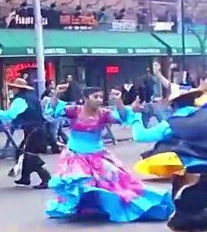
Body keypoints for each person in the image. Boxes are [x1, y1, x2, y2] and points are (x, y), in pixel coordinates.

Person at [45, 88, 173, 222]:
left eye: (101, 97)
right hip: (75, 155)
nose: (99, 100)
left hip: (97, 155)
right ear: (85, 98)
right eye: (95, 97)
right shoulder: (74, 110)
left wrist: (118, 101)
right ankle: (83, 208)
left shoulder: (103, 114)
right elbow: (52, 112)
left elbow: (122, 118)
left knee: (118, 182)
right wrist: (56, 94)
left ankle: (140, 205)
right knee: (79, 183)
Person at [132, 75, 207, 232]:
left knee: (183, 212)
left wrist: (135, 115)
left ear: (173, 105)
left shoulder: (170, 124)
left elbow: (140, 135)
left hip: (191, 169)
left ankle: (189, 220)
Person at [0, 77, 52, 189]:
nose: (12, 90)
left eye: (14, 88)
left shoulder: (20, 100)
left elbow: (10, 115)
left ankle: (46, 178)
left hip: (33, 130)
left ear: (18, 89)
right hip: (38, 128)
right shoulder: (32, 97)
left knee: (29, 155)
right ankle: (25, 177)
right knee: (22, 152)